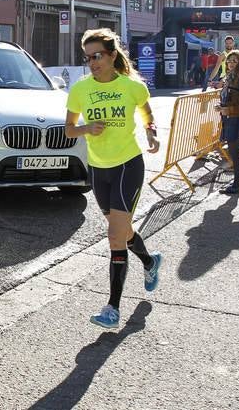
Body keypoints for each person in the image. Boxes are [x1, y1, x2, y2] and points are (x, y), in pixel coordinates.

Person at [65, 28, 162, 329]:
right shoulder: (80, 89)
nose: (92, 62)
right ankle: (150, 261)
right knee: (122, 230)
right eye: (87, 57)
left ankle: (112, 308)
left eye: (97, 56)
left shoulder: (131, 87)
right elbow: (69, 129)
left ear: (111, 55)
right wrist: (86, 129)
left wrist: (151, 132)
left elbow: (147, 114)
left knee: (114, 236)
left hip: (127, 165)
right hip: (98, 169)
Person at [214, 50, 239, 195]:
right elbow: (229, 97)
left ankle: (237, 185)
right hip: (228, 119)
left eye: (234, 61)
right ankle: (236, 184)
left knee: (235, 153)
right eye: (229, 60)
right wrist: (221, 107)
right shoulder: (229, 77)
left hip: (237, 120)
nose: (231, 63)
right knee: (232, 153)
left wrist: (229, 110)